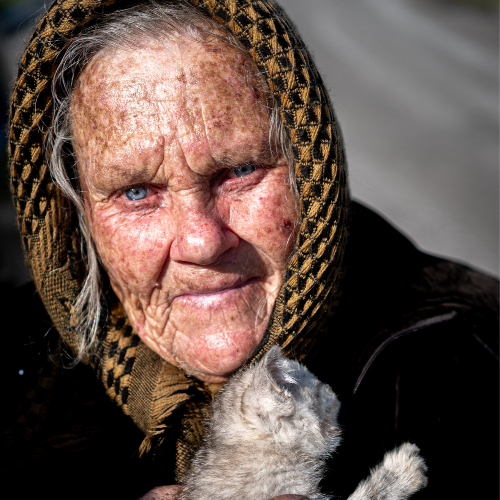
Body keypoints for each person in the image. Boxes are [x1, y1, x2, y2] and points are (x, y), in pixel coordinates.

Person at [2, 0, 499, 499]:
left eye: (239, 171)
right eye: (136, 191)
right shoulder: (15, 369)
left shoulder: (463, 360)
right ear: (76, 211)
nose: (202, 241)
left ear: (307, 165)